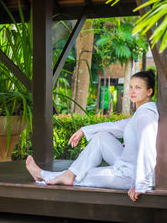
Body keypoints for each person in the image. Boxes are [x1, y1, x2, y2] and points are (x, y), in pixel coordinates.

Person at [26, 70, 159, 202]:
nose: (132, 91)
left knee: (82, 174)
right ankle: (67, 174)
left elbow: (148, 149)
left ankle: (43, 175)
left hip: (130, 176)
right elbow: (117, 126)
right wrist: (84, 130)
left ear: (149, 92)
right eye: (131, 87)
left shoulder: (146, 116)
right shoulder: (141, 113)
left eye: (138, 87)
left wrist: (141, 184)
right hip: (126, 166)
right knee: (101, 137)